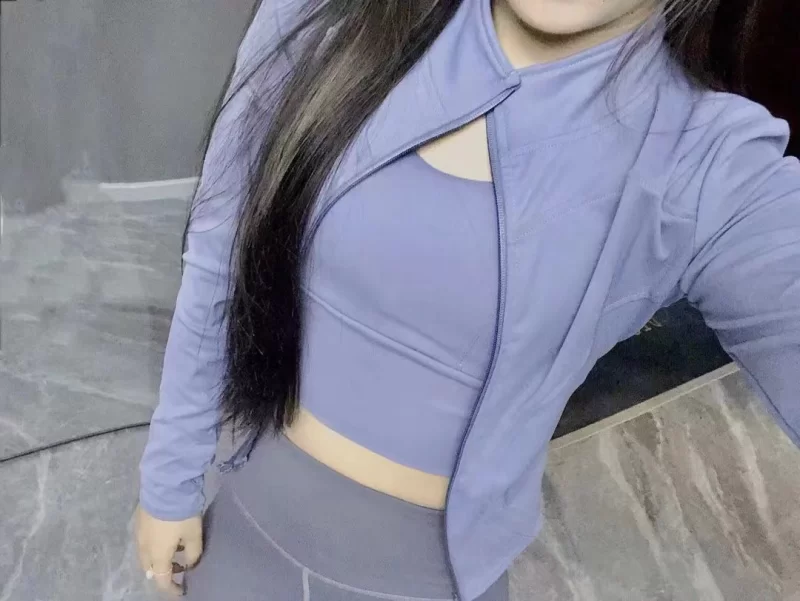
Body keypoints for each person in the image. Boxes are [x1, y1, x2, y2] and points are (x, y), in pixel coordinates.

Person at [135, 0, 800, 599]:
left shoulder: (710, 166)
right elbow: (219, 252)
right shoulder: (325, 15)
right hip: (245, 536)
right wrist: (170, 480)